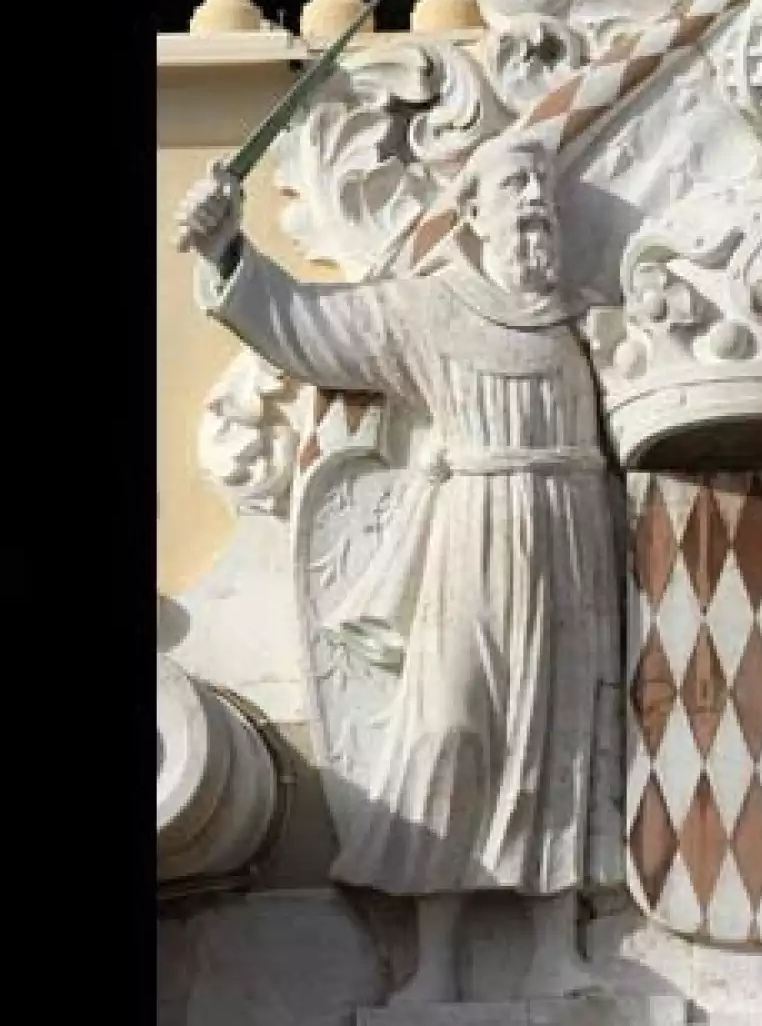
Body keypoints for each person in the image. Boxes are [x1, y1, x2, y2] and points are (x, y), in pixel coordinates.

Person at [172, 133, 622, 1006]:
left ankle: (555, 949)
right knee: (449, 730)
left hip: (573, 545)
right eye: (513, 187)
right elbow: (315, 327)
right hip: (474, 539)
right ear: (475, 214)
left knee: (562, 738)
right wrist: (229, 248)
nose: (534, 203)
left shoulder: (583, 319)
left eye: (540, 188)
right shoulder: (432, 309)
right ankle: (437, 962)